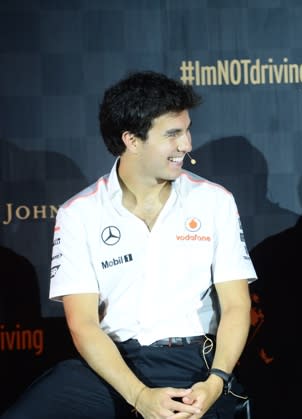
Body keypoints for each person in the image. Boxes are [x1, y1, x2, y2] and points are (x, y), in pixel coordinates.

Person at [2, 71, 257, 419]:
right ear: (132, 140)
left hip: (193, 365)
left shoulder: (214, 202)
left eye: (186, 129)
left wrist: (216, 381)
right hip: (111, 365)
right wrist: (138, 395)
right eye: (173, 134)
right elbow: (83, 325)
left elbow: (237, 307)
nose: (187, 144)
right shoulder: (79, 213)